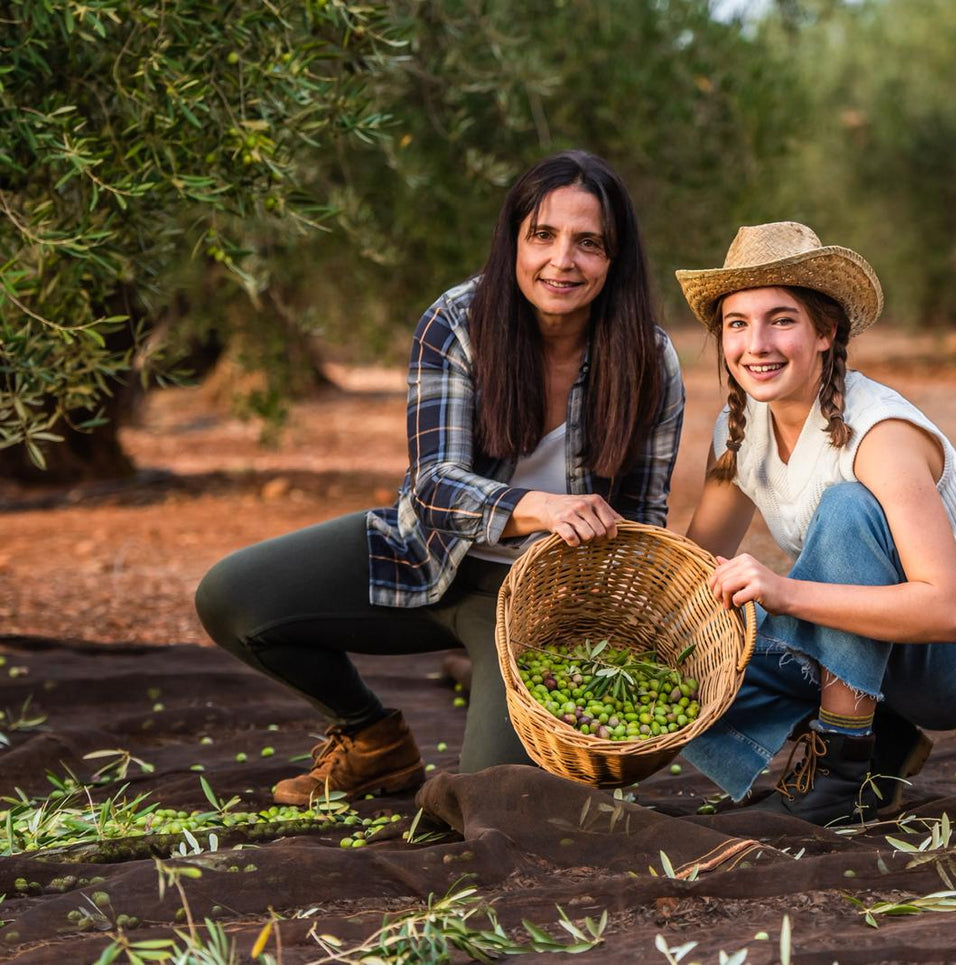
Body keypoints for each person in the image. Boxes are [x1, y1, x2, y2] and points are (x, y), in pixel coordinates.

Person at [195, 150, 685, 806]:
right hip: (420, 553)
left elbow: (643, 517)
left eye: (588, 243)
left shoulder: (648, 360)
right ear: (513, 238)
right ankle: (372, 741)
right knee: (233, 595)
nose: (562, 260)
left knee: (488, 800)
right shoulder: (458, 320)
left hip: (534, 605)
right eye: (542, 235)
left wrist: (604, 644)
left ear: (615, 258)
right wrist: (539, 506)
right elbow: (431, 483)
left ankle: (503, 711)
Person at [673, 222, 956, 826]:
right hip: (880, 652)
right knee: (692, 639)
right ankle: (882, 738)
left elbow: (946, 612)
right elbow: (691, 569)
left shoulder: (880, 433)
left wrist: (786, 594)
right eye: (737, 323)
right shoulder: (738, 432)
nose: (755, 344)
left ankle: (840, 767)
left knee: (846, 509)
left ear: (824, 332)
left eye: (781, 320)